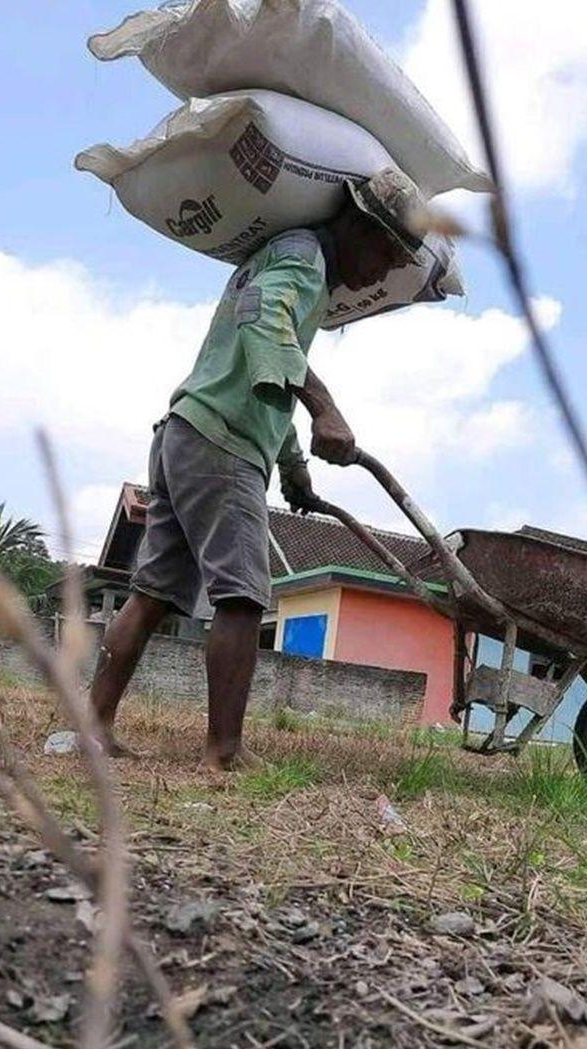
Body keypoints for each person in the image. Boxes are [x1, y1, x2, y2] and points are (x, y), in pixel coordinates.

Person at [88, 167, 429, 771]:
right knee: (243, 596)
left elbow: (267, 378)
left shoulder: (288, 258)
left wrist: (294, 468)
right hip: (221, 446)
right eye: (385, 254)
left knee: (151, 592)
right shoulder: (302, 261)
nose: (382, 273)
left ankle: (93, 728)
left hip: (185, 433)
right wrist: (327, 407)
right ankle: (223, 750)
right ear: (357, 226)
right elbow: (265, 322)